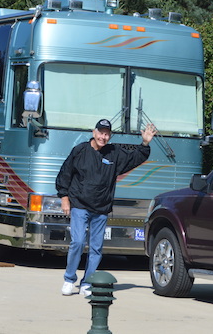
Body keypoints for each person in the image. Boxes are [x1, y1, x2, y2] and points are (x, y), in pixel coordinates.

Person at [56, 118, 157, 297]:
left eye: (106, 133)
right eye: (101, 132)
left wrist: (145, 143)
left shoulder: (114, 153)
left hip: (101, 208)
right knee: (77, 242)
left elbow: (135, 158)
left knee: (96, 248)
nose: (103, 136)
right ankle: (69, 279)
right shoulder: (79, 151)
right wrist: (64, 198)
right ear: (94, 133)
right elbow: (65, 174)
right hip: (79, 205)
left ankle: (87, 282)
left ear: (109, 136)